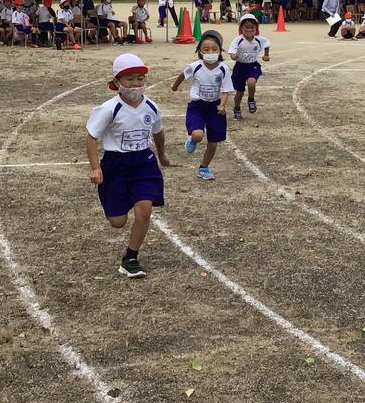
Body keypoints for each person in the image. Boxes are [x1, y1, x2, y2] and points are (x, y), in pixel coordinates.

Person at [85, 53, 171, 278]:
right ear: (117, 82)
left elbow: (158, 132)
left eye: (139, 79)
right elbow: (91, 137)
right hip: (116, 165)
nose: (135, 84)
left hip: (144, 163)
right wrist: (96, 167)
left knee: (144, 210)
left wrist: (162, 154)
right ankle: (123, 199)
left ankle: (131, 258)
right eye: (129, 79)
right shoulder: (109, 109)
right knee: (118, 221)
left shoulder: (151, 106)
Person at [171, 30, 234, 181]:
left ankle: (204, 167)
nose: (210, 52)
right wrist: (174, 86)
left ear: (220, 51)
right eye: (206, 49)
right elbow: (183, 74)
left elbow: (225, 90)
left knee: (213, 142)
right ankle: (193, 139)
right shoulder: (195, 66)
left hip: (215, 107)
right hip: (197, 106)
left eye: (214, 49)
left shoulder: (223, 68)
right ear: (200, 51)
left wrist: (222, 105)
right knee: (198, 135)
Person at [228, 15, 270, 119]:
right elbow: (232, 53)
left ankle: (251, 99)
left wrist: (266, 55)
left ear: (256, 28)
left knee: (251, 82)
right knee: (239, 93)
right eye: (246, 27)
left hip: (253, 65)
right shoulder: (238, 40)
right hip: (240, 67)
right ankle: (237, 108)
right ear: (241, 28)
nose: (249, 30)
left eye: (252, 27)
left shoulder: (259, 39)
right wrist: (234, 56)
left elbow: (266, 43)